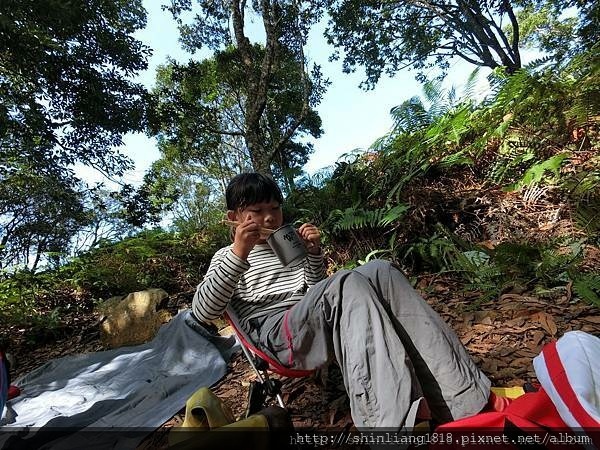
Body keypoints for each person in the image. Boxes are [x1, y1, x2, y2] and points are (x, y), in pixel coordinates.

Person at [192, 172, 491, 429]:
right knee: (345, 281)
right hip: (276, 336)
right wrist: (238, 253)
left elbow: (316, 290)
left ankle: (461, 397)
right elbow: (205, 312)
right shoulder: (226, 257)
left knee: (381, 271)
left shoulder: (285, 247)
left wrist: (312, 254)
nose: (269, 217)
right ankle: (389, 422)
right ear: (233, 219)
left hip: (310, 319)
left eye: (274, 208)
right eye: (256, 211)